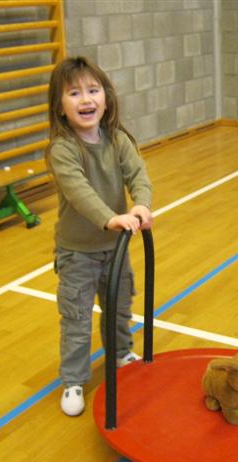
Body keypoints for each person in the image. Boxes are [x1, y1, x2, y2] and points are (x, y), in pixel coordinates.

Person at [46, 57, 153, 416]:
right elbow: (80, 193)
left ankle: (121, 353)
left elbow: (138, 175)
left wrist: (142, 204)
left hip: (115, 249)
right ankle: (74, 380)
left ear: (106, 97)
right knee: (76, 319)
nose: (86, 99)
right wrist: (111, 218)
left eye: (92, 90)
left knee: (119, 308)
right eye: (74, 93)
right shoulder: (63, 150)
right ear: (60, 106)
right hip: (77, 253)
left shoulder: (118, 140)